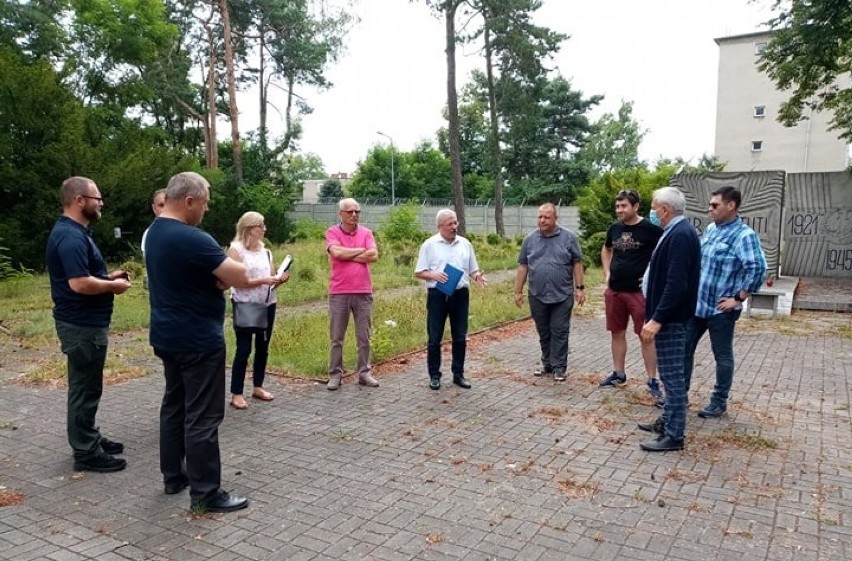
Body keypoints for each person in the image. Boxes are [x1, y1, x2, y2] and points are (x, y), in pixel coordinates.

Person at [145, 171, 255, 513]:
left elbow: (194, 278)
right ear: (189, 201)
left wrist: (215, 278)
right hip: (197, 340)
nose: (205, 211)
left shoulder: (154, 234)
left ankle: (173, 476)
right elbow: (240, 277)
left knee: (174, 405)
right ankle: (206, 492)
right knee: (203, 416)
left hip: (166, 334)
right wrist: (231, 262)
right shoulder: (193, 238)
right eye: (204, 203)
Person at [46, 176, 131, 472]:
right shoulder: (70, 236)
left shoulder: (76, 232)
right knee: (84, 388)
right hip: (82, 325)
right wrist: (112, 287)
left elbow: (84, 274)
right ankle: (85, 452)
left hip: (84, 323)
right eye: (97, 198)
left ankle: (88, 436)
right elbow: (79, 283)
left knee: (88, 385)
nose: (101, 203)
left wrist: (108, 277)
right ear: (79, 200)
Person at [684, 186, 767, 419]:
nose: (709, 209)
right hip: (698, 305)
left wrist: (738, 298)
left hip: (721, 310)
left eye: (714, 205)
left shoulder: (744, 235)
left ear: (731, 206)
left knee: (722, 355)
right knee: (684, 348)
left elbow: (758, 268)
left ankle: (719, 402)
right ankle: (679, 396)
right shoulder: (711, 230)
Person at [637, 187, 701, 452]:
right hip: (667, 317)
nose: (652, 211)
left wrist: (657, 319)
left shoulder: (681, 235)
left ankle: (675, 435)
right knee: (669, 374)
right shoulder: (675, 232)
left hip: (672, 320)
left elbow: (677, 284)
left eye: (654, 207)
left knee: (672, 377)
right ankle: (667, 421)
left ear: (664, 209)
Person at [598, 190, 664, 406]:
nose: (620, 210)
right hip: (615, 291)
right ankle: (619, 374)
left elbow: (662, 256)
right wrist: (607, 273)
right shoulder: (614, 228)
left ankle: (653, 381)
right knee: (616, 333)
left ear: (636, 207)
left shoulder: (651, 231)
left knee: (646, 336)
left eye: (624, 206)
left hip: (640, 293)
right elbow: (606, 249)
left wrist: (653, 280)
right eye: (617, 206)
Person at [415, 209, 487, 390]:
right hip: (438, 295)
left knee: (460, 336)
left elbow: (472, 269)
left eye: (456, 223)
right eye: (450, 224)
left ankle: (458, 374)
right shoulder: (429, 245)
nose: (454, 227)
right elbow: (419, 272)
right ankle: (434, 375)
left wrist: (477, 276)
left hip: (460, 294)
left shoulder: (465, 244)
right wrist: (433, 275)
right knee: (434, 337)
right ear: (440, 226)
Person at [514, 203, 585, 382]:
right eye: (540, 217)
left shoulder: (569, 238)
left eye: (546, 217)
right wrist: (518, 291)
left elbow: (577, 263)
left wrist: (579, 288)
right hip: (537, 294)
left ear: (555, 219)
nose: (542, 220)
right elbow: (523, 266)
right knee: (543, 331)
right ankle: (547, 363)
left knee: (559, 330)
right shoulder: (529, 240)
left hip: (562, 294)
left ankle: (559, 367)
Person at [228, 212, 288, 409]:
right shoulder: (236, 250)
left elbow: (270, 281)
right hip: (245, 304)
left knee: (263, 347)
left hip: (266, 303)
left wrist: (278, 280)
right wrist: (263, 281)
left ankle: (258, 386)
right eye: (260, 226)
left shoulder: (266, 251)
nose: (264, 229)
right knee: (244, 348)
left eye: (264, 226)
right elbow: (236, 281)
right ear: (249, 229)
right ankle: (236, 392)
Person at [325, 198, 379, 390]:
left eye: (357, 211)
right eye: (350, 212)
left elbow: (374, 255)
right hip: (339, 292)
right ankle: (335, 374)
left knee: (364, 336)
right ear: (341, 214)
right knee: (337, 337)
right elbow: (336, 253)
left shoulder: (366, 232)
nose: (354, 215)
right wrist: (360, 251)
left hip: (363, 292)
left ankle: (364, 372)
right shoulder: (332, 232)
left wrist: (347, 253)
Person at [140, 189, 165, 254]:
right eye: (161, 205)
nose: (165, 209)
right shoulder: (149, 234)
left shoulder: (186, 231)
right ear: (154, 208)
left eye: (168, 205)